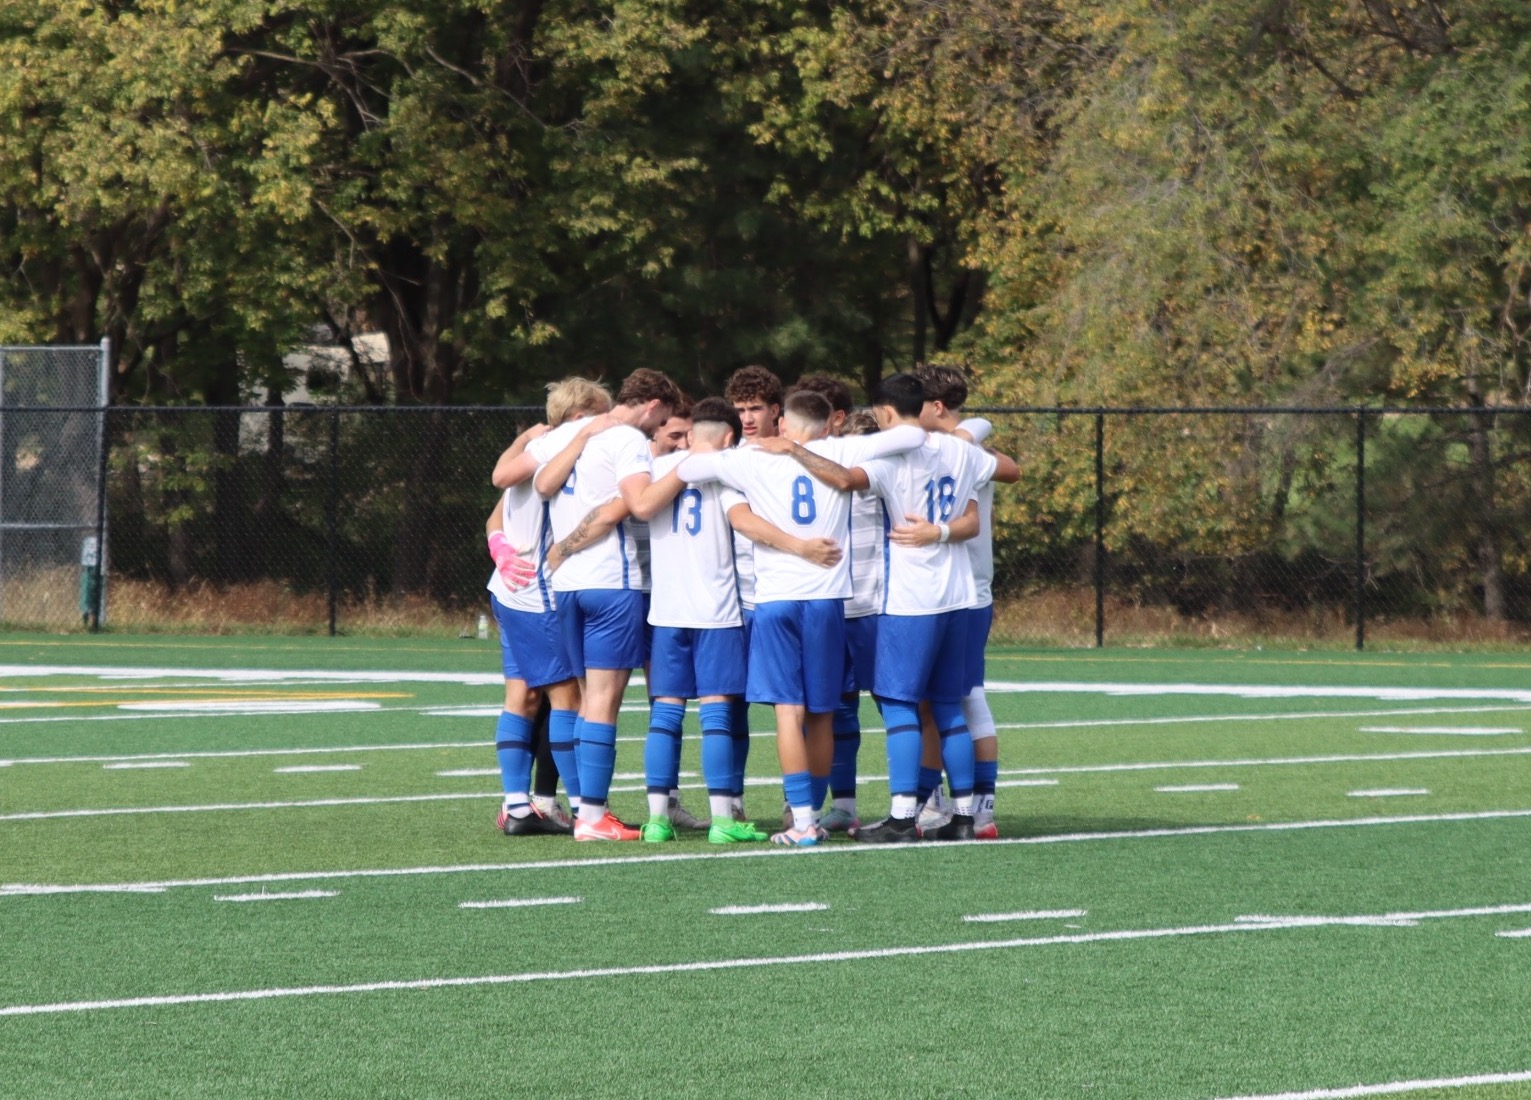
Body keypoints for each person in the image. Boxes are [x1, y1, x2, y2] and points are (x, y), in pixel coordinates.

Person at [677, 390, 924, 845]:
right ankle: (814, 812)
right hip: (828, 599)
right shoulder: (840, 448)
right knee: (823, 713)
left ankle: (803, 821)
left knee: (788, 713)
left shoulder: (750, 458)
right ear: (829, 423)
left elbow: (689, 468)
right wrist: (801, 449)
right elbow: (911, 434)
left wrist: (754, 449)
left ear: (785, 424)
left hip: (775, 601)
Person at [529, 367, 682, 841]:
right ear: (653, 406)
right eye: (663, 423)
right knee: (603, 701)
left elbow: (533, 484)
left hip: (565, 584)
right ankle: (593, 817)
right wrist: (685, 470)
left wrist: (561, 549)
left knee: (574, 700)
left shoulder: (566, 433)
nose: (659, 433)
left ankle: (582, 810)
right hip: (611, 582)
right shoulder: (628, 440)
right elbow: (637, 505)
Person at [482, 377, 614, 836]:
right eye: (603, 413)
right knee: (569, 698)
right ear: (584, 415)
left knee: (522, 695)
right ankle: (584, 810)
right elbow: (505, 485)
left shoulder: (541, 445)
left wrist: (498, 544)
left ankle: (518, 806)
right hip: (536, 591)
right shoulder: (568, 444)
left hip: (508, 588)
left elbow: (500, 495)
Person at [914, 365, 1020, 839]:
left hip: (959, 589)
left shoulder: (954, 447)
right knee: (955, 697)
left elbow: (1012, 469)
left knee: (951, 698)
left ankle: (953, 804)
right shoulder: (962, 441)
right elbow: (1005, 461)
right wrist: (970, 429)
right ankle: (976, 807)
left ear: (936, 406)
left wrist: (965, 432)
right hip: (966, 588)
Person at [719, 364, 785, 819]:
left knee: (794, 705)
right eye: (740, 409)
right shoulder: (727, 457)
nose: (746, 417)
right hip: (736, 599)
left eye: (755, 408)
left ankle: (798, 803)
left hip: (786, 594)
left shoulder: (796, 453)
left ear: (776, 410)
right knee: (732, 704)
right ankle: (733, 802)